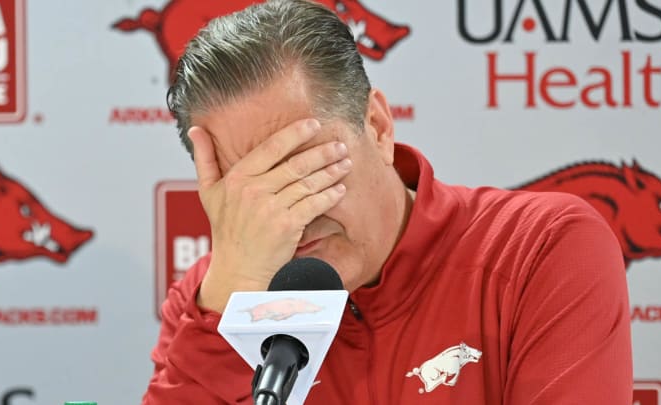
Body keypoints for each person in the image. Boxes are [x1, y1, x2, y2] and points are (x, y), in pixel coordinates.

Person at [142, 0, 633, 403]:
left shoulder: (538, 247)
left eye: (306, 167)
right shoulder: (206, 298)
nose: (289, 216)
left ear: (376, 127)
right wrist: (229, 305)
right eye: (255, 190)